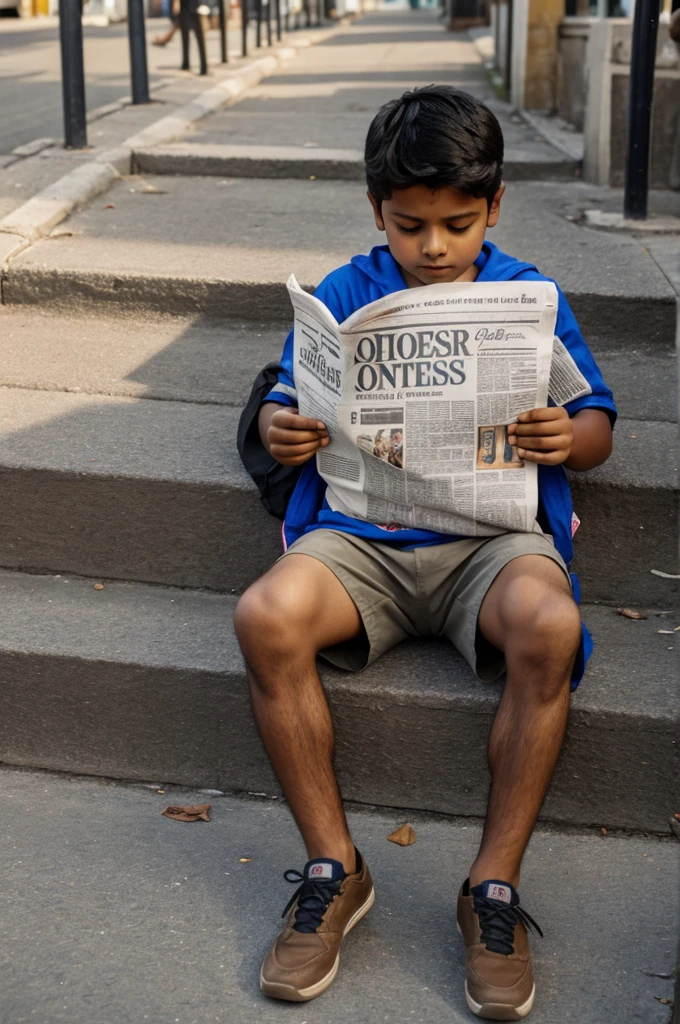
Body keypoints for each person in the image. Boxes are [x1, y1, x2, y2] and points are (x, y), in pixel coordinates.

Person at [234, 85, 616, 1020]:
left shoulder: (529, 297)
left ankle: (491, 889)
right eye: (410, 226)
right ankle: (334, 868)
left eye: (456, 223)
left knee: (550, 625)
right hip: (360, 537)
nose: (434, 247)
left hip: (491, 545)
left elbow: (598, 417)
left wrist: (571, 440)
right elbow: (290, 398)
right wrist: (286, 428)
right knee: (262, 616)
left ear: (493, 209)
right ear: (378, 212)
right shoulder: (344, 291)